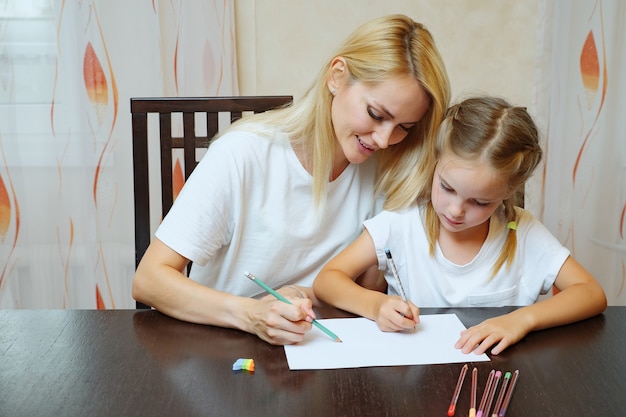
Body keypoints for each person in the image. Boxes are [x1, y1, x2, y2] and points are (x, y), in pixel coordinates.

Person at [132, 14, 451, 345]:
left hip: (324, 355)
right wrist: (252, 315)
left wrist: (306, 293)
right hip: (224, 349)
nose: (384, 139)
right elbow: (150, 280)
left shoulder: (391, 170)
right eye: (376, 114)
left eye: (404, 127)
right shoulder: (243, 153)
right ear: (337, 77)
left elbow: (368, 292)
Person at [313, 96, 607, 355]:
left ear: (507, 193)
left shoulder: (522, 230)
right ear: (434, 162)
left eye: (480, 202)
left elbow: (591, 293)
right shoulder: (401, 222)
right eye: (447, 187)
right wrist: (374, 306)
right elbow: (328, 279)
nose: (455, 210)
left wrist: (522, 319)